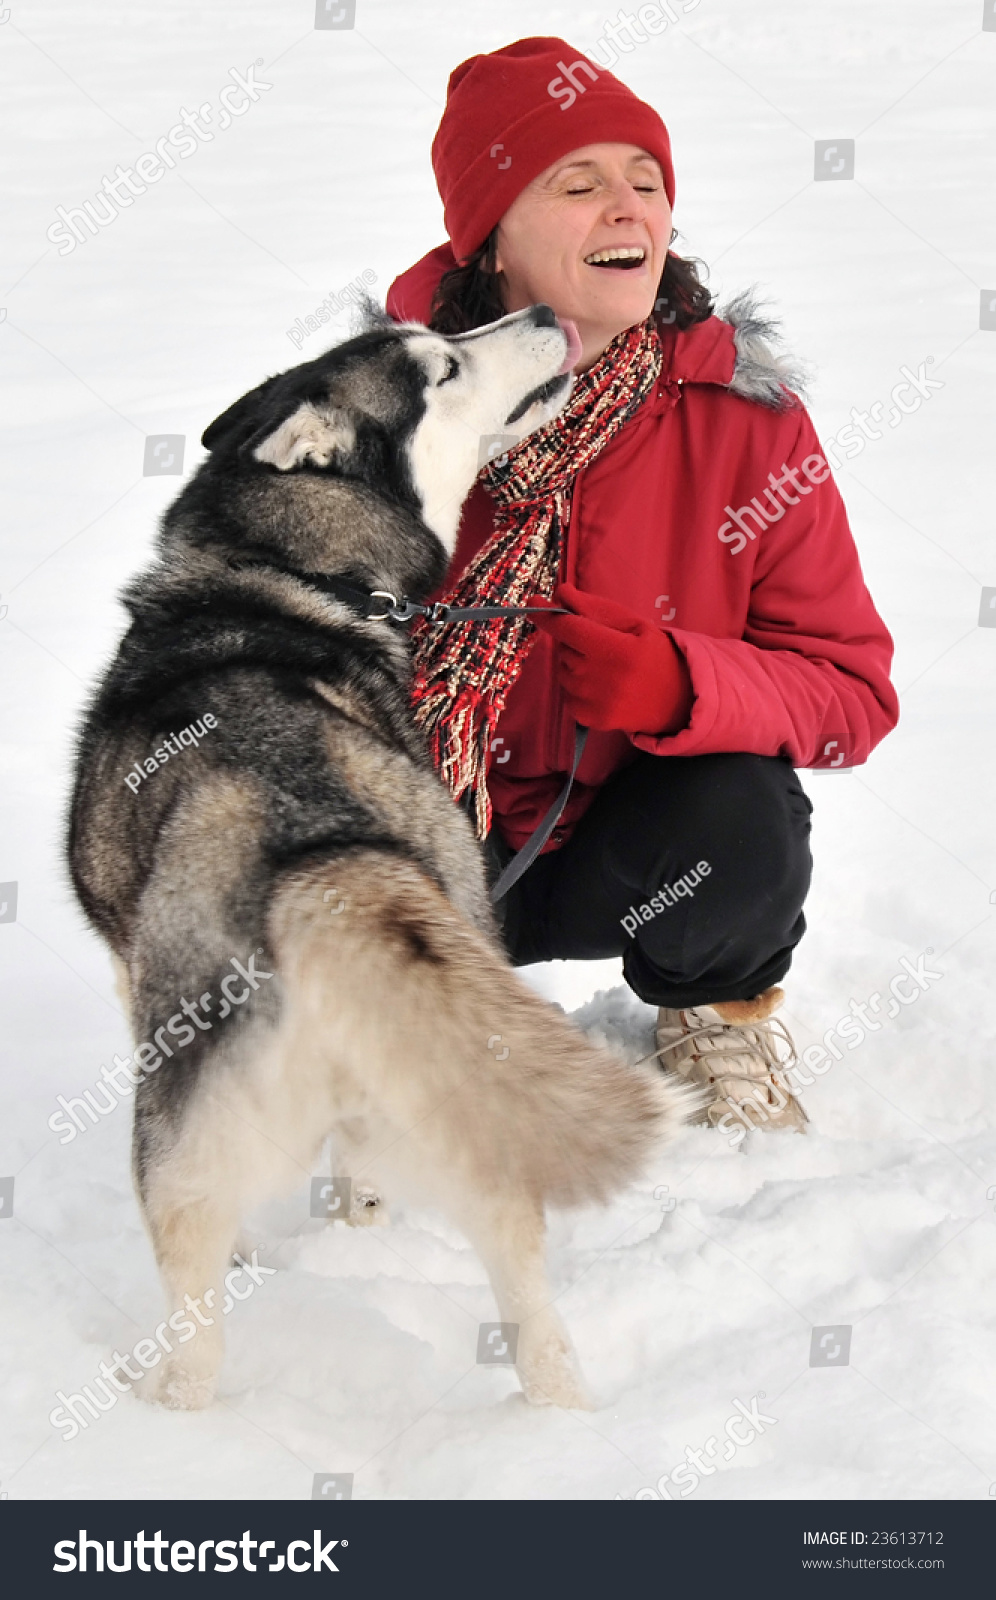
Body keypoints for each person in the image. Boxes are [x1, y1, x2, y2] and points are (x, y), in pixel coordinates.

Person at [385, 36, 899, 1133]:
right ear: (492, 242)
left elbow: (852, 692)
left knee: (745, 814)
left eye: (647, 182)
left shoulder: (746, 424)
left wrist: (684, 686)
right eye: (578, 185)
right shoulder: (386, 417)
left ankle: (717, 1005)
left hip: (629, 850)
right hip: (430, 853)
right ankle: (385, 1034)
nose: (629, 210)